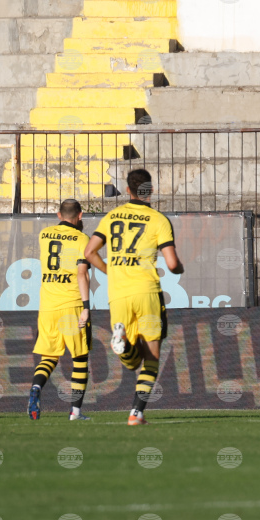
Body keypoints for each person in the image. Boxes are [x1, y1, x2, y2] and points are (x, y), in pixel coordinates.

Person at [84, 169, 184, 425]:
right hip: (147, 292)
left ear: (127, 190)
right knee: (151, 358)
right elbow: (172, 264)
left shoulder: (112, 217)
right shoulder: (158, 220)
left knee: (131, 362)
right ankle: (136, 414)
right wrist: (180, 268)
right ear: (150, 190)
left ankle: (124, 344)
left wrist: (111, 271)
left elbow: (89, 252)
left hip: (118, 294)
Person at [27, 199, 92, 421]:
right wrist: (86, 307)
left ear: (58, 215)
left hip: (47, 306)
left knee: (49, 356)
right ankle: (75, 412)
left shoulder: (44, 235)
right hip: (72, 304)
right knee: (80, 358)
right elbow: (82, 274)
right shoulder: (82, 239)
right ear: (80, 216)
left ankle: (36, 387)